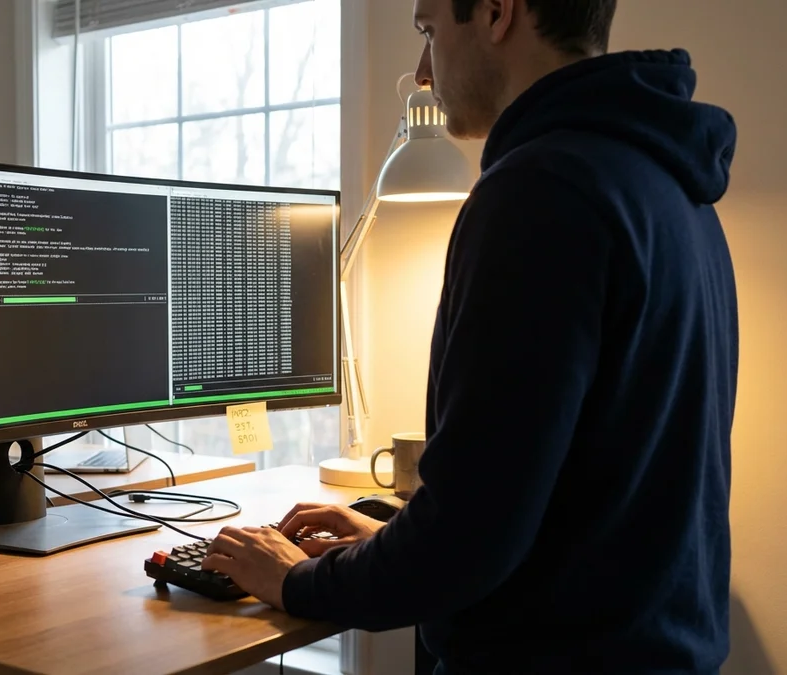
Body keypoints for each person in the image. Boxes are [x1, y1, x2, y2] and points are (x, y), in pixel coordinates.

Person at [201, 0, 739, 672]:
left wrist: (295, 579)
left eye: (429, 31)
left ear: (496, 12)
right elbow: (573, 493)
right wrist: (393, 539)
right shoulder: (671, 180)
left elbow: (471, 536)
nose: (422, 72)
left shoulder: (540, 190)